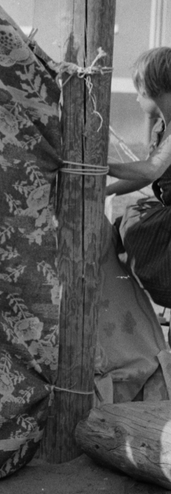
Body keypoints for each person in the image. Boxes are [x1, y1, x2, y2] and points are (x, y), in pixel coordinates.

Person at [108, 47, 171, 306]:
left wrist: (104, 166)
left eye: (138, 92)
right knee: (126, 226)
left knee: (133, 229)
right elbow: (145, 177)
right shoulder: (162, 129)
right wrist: (108, 189)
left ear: (150, 88)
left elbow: (151, 169)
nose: (136, 99)